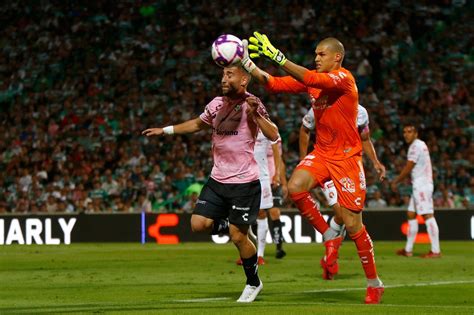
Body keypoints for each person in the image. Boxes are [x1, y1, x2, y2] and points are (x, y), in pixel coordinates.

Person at [241, 33, 384, 304]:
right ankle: (329, 234)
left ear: (336, 57)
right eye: (315, 54)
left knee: (354, 226)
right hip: (322, 154)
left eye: (321, 54)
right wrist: (248, 63)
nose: (316, 58)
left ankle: (374, 283)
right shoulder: (314, 83)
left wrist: (276, 55)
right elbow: (271, 83)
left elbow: (308, 77)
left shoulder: (344, 79)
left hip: (346, 159)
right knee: (295, 187)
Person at [143, 64, 279, 303]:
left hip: (244, 183)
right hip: (217, 179)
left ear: (244, 79)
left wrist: (257, 114)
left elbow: (273, 134)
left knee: (238, 239)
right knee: (198, 224)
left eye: (229, 75)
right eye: (223, 75)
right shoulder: (216, 104)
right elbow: (197, 124)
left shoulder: (253, 103)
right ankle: (235, 226)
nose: (223, 79)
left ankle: (253, 282)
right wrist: (166, 130)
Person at [300, 104, 386, 242]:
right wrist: (303, 160)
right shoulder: (320, 106)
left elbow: (365, 139)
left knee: (346, 218)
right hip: (326, 163)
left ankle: (332, 252)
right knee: (340, 212)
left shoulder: (361, 112)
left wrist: (376, 162)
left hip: (348, 168)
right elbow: (305, 130)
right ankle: (331, 248)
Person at [391, 123, 441, 258]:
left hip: (422, 185)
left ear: (416, 134)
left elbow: (409, 167)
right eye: (404, 132)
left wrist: (396, 181)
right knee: (411, 214)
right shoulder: (420, 144)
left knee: (427, 215)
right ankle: (408, 250)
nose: (406, 134)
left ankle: (436, 251)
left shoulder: (416, 146)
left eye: (409, 132)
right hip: (419, 184)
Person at [237, 130, 286, 266]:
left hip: (264, 177)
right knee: (243, 215)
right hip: (244, 176)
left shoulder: (268, 128)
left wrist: (277, 174)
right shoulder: (241, 126)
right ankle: (246, 252)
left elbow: (278, 154)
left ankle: (260, 255)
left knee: (262, 213)